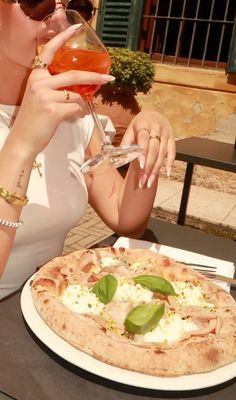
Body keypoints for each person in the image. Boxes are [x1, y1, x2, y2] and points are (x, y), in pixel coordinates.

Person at [0, 0, 175, 300]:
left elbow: (126, 219)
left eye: (76, 6)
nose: (59, 20)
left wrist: (148, 137)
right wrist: (22, 145)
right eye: (37, 3)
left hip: (46, 313)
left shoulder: (70, 110)